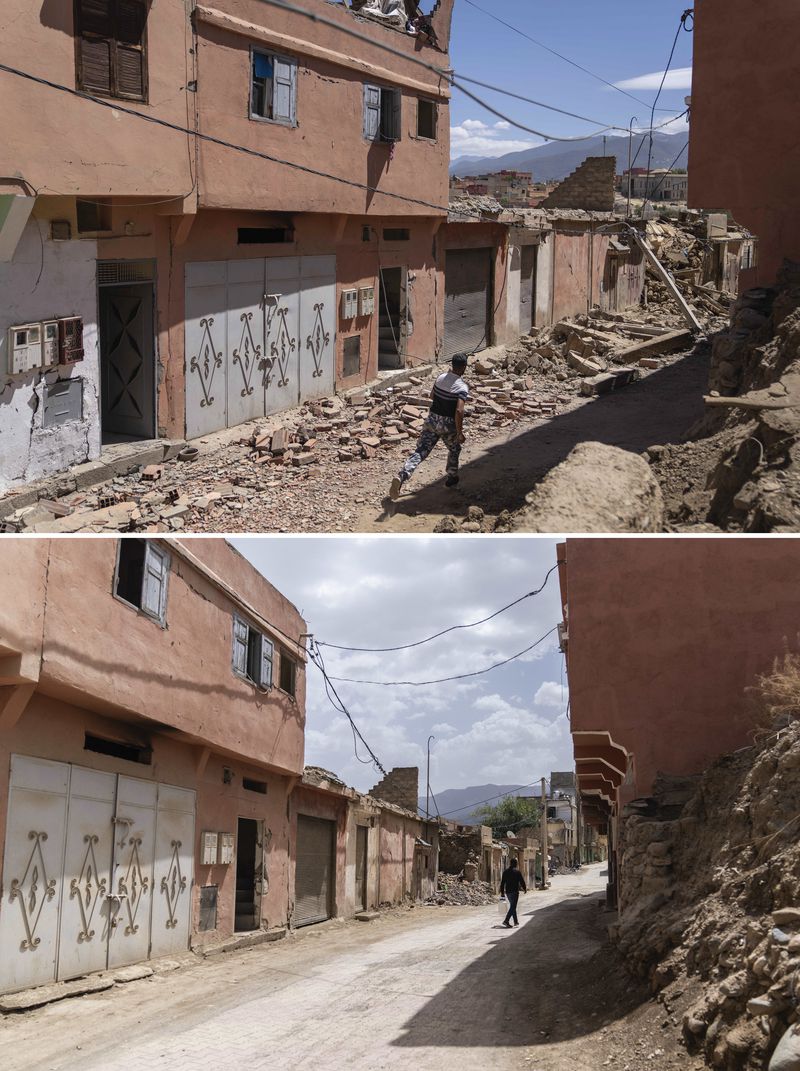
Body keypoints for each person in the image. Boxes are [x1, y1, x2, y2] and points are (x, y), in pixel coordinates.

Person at [389, 353, 470, 500]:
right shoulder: (462, 387)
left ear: (452, 365)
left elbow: (432, 396)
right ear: (464, 367)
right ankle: (451, 477)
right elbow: (459, 410)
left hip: (432, 420)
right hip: (448, 424)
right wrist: (459, 432)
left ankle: (402, 475)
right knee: (454, 448)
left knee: (421, 451)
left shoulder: (440, 378)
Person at [499, 857, 527, 928]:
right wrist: (524, 888)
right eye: (517, 863)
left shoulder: (505, 872)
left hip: (508, 892)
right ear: (515, 864)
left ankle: (516, 921)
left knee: (512, 906)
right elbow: (522, 881)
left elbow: (502, 883)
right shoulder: (517, 872)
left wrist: (502, 892)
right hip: (515, 892)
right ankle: (506, 920)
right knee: (513, 906)